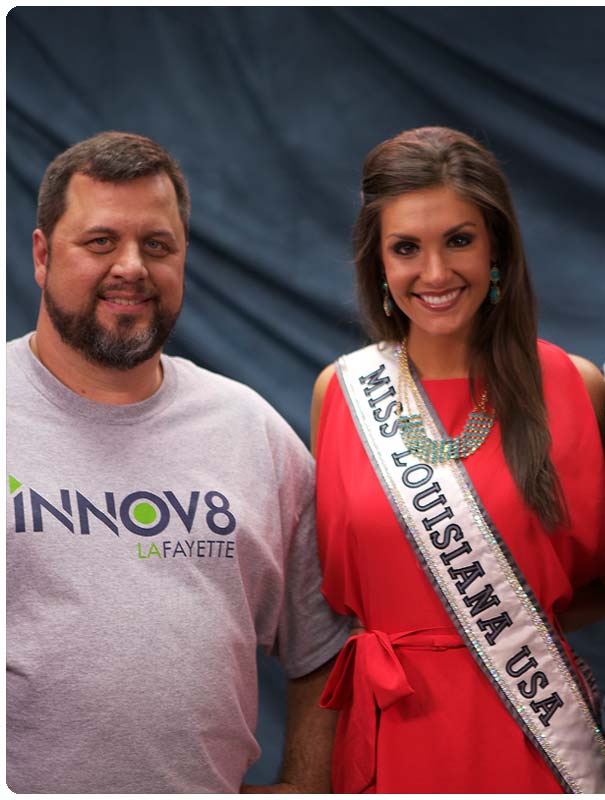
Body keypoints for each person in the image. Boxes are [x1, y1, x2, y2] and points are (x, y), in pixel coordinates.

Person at [6, 131, 350, 793]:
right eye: (101, 241)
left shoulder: (251, 430)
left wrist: (305, 787)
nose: (131, 267)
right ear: (43, 255)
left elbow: (327, 651)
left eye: (156, 245)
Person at [310, 126, 605, 793]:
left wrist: (496, 631)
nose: (434, 273)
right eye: (405, 248)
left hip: (529, 727)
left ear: (497, 250)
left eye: (459, 240)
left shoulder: (574, 385)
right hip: (390, 732)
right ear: (380, 263)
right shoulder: (341, 391)